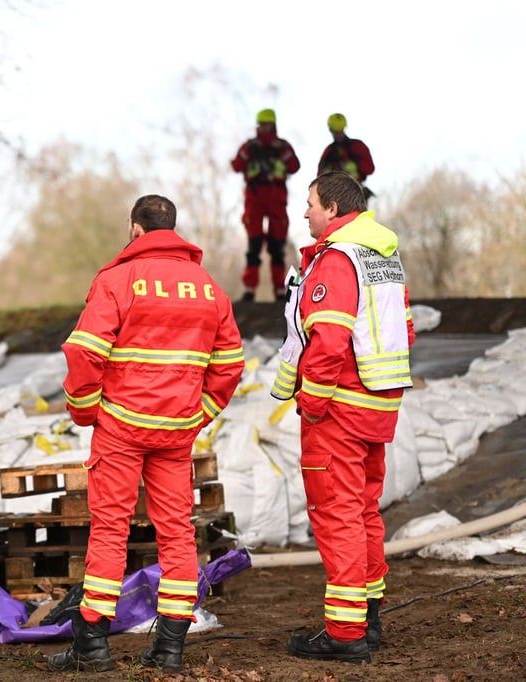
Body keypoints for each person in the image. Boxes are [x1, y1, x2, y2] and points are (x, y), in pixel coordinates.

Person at [48, 194, 245, 674]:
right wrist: (199, 413)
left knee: (111, 530)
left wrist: (84, 408)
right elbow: (230, 363)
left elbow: (85, 352)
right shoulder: (207, 288)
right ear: (173, 231)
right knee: (177, 531)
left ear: (136, 229)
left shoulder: (117, 280)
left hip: (121, 426)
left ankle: (92, 647)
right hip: (176, 431)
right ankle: (170, 647)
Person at [271, 171, 416, 663]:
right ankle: (368, 617)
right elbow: (405, 330)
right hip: (377, 405)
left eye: (310, 203)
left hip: (338, 410)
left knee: (337, 518)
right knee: (362, 511)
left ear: (333, 208)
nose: (304, 212)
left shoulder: (336, 260)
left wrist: (311, 404)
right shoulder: (383, 259)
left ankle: (346, 634)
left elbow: (328, 341)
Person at [230, 108, 301, 303]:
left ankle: (279, 290)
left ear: (273, 125)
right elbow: (236, 165)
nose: (264, 127)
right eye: (262, 124)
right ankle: (249, 289)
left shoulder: (282, 146)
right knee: (254, 247)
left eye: (267, 124)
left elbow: (295, 166)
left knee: (277, 247)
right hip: (255, 200)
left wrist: (281, 154)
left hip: (276, 199)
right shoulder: (250, 147)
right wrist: (248, 155)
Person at [317, 113, 376, 200]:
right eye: (335, 131)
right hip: (335, 196)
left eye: (339, 131)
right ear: (331, 130)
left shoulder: (357, 146)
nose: (338, 134)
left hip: (356, 193)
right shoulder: (329, 152)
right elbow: (320, 177)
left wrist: (356, 162)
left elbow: (370, 169)